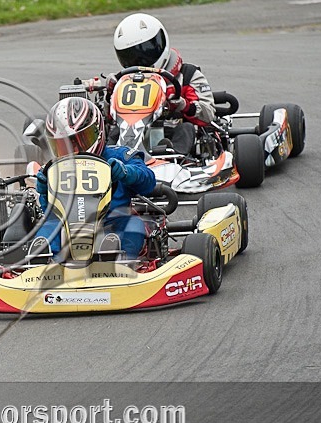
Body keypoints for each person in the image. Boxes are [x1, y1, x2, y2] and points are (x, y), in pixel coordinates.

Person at [33, 97, 156, 261]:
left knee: (134, 226)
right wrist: (43, 189)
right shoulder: (55, 168)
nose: (73, 151)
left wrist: (126, 172)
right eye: (63, 145)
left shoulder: (119, 156)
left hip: (112, 221)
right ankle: (44, 263)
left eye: (78, 141)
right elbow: (49, 210)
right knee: (47, 229)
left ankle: (118, 261)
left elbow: (149, 182)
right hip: (67, 226)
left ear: (97, 132)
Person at [108, 12, 215, 155]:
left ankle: (172, 155)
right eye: (130, 56)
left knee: (187, 128)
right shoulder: (123, 82)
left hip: (173, 132)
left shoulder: (188, 75)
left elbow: (208, 115)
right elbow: (107, 119)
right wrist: (109, 95)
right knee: (114, 131)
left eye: (146, 52)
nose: (139, 62)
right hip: (130, 132)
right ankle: (106, 156)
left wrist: (184, 105)